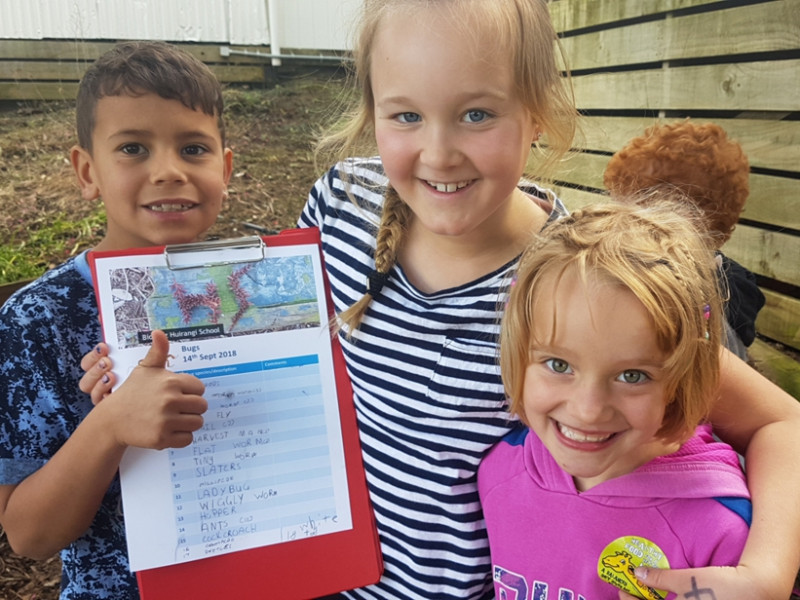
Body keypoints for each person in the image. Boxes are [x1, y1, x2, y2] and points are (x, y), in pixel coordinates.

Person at [80, 1, 800, 599]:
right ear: (371, 115)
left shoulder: (575, 280)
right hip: (317, 575)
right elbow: (266, 345)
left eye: (477, 115)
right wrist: (141, 368)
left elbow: (781, 425)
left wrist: (767, 573)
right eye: (406, 117)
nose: (439, 153)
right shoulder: (341, 206)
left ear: (539, 116)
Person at [0, 41, 233, 599]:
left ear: (225, 168)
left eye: (194, 148)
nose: (168, 171)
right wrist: (107, 428)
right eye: (133, 148)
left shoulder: (260, 296)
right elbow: (28, 535)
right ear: (88, 171)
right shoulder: (38, 321)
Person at [478, 197, 751, 599]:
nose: (588, 410)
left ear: (679, 379)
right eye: (558, 365)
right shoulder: (498, 472)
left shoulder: (719, 529)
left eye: (632, 376)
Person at [603, 120, 765, 359]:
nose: (618, 226)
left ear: (693, 221)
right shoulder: (721, 281)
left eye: (635, 217)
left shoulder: (704, 308)